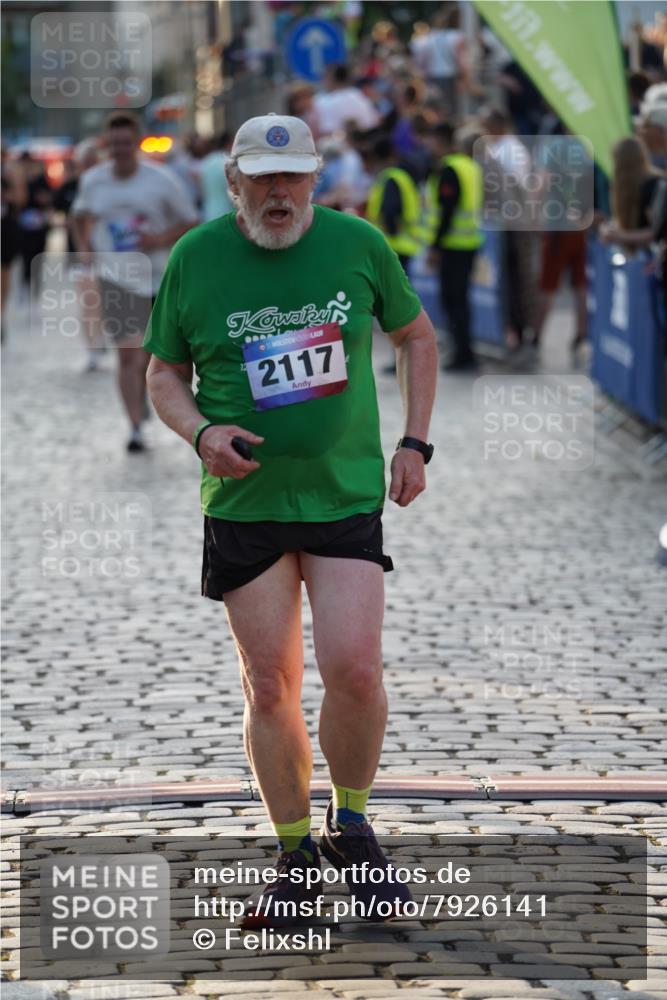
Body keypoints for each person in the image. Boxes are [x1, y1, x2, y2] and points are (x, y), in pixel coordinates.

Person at [143, 113, 437, 928]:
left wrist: (414, 441)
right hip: (245, 505)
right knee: (269, 684)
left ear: (314, 179)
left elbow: (416, 337)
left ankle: (352, 824)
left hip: (343, 495)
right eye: (263, 179)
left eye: (293, 177)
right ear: (232, 180)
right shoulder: (196, 256)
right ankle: (295, 854)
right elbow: (162, 372)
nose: (279, 193)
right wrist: (200, 431)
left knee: (355, 671)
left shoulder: (356, 242)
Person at [72, 111, 199, 452]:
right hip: (116, 277)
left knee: (154, 357)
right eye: (114, 144)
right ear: (106, 145)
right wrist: (84, 247)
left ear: (137, 143)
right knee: (129, 354)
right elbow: (80, 215)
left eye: (126, 143)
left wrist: (158, 239)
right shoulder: (94, 180)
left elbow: (191, 221)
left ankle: (150, 399)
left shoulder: (161, 180)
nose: (120, 150)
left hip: (159, 277)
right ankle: (134, 428)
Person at [426, 123, 483, 371]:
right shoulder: (473, 168)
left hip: (453, 245)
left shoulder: (452, 169)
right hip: (470, 242)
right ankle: (464, 349)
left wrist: (435, 246)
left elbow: (447, 210)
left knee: (453, 301)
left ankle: (462, 353)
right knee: (461, 300)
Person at [314, 64, 379, 135]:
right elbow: (375, 122)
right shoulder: (361, 96)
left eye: (324, 77)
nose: (323, 81)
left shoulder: (323, 102)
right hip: (365, 139)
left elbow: (323, 131)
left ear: (330, 78)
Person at [199, 131, 234, 222]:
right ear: (230, 144)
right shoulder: (228, 163)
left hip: (208, 212)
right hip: (227, 213)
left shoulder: (206, 161)